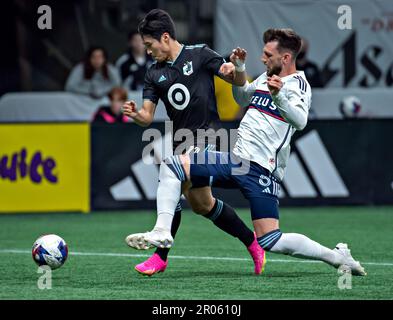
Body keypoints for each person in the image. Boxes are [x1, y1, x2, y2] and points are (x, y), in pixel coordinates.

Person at [126, 28, 367, 277]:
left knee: (271, 240)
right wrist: (240, 69)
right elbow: (242, 98)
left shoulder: (298, 84)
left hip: (263, 168)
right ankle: (162, 232)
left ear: (285, 58)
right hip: (239, 161)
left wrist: (280, 96)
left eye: (268, 54)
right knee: (174, 165)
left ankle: (336, 256)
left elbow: (301, 120)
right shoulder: (265, 77)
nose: (263, 59)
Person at [122, 9, 265, 276]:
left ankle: (161, 250)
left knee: (173, 171)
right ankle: (253, 243)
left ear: (165, 37)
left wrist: (237, 67)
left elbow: (236, 80)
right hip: (182, 142)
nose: (148, 52)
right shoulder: (153, 74)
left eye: (150, 45)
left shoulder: (200, 54)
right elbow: (147, 116)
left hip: (209, 137)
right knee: (202, 205)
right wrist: (135, 115)